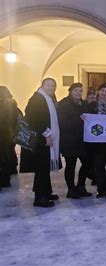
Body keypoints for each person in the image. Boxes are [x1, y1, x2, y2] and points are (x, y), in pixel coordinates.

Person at [20, 78, 61, 207]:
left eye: (53, 86)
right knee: (41, 169)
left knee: (45, 167)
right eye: (48, 85)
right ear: (42, 86)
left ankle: (46, 192)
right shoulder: (37, 99)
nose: (51, 88)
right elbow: (34, 119)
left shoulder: (46, 98)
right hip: (41, 140)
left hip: (44, 138)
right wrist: (47, 135)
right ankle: (39, 198)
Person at [57, 83, 93, 199]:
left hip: (82, 140)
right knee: (71, 165)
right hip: (69, 140)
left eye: (80, 91)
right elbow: (62, 123)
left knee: (87, 163)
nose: (78, 93)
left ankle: (81, 186)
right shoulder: (64, 104)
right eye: (76, 90)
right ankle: (71, 189)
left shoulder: (83, 104)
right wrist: (79, 120)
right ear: (70, 91)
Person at [85, 83, 106, 198]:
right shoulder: (91, 105)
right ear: (98, 91)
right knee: (99, 167)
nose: (105, 93)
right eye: (103, 91)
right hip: (97, 142)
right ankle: (100, 189)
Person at [0, 86, 19, 191]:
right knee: (8, 154)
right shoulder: (12, 104)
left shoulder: (5, 105)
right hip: (8, 133)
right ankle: (7, 177)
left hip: (4, 133)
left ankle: (3, 179)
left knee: (4, 156)